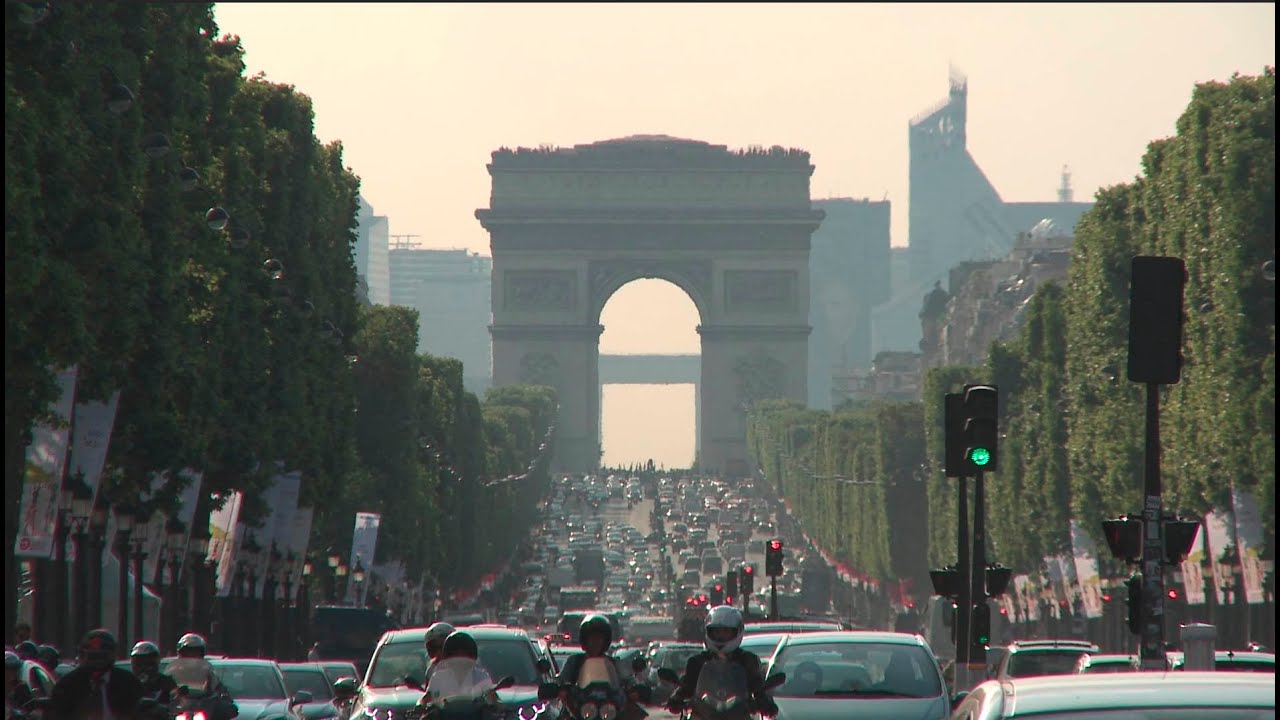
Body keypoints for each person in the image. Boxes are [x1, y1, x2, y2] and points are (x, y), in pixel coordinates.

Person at [666, 606, 777, 716]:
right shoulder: (697, 662)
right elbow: (687, 686)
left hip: (738, 716)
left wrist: (764, 702)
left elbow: (757, 686)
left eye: (726, 632)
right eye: (716, 632)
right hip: (703, 714)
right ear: (707, 631)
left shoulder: (748, 660)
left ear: (738, 631)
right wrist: (676, 698)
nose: (720, 636)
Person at [49, 629, 145, 719]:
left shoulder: (128, 683)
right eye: (93, 656)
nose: (97, 661)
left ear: (113, 654)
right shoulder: (67, 685)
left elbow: (140, 712)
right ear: (81, 655)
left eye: (102, 656)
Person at [422, 632, 495, 701]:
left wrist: (499, 706)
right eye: (455, 655)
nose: (460, 661)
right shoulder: (438, 678)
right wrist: (420, 705)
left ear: (472, 657)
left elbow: (493, 698)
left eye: (464, 655)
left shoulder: (482, 677)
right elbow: (425, 699)